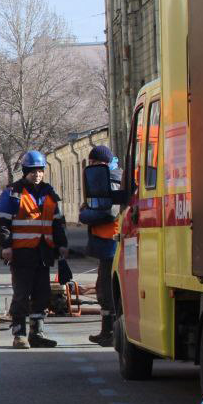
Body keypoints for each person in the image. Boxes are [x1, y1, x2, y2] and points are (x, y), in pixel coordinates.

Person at [0, 150, 68, 349]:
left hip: (43, 252)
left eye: (40, 171)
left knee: (42, 294)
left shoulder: (49, 193)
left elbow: (57, 223)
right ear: (26, 171)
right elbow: (2, 223)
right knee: (21, 294)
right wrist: (6, 246)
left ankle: (37, 333)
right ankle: (19, 335)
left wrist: (62, 245)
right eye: (33, 171)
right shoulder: (13, 193)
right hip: (21, 253)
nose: (38, 174)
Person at [78, 144, 124, 346]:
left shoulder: (111, 179)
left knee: (106, 290)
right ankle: (107, 331)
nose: (92, 166)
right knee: (103, 288)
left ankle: (111, 333)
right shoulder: (109, 176)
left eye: (94, 162)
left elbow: (110, 212)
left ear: (102, 162)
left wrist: (84, 214)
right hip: (108, 243)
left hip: (111, 242)